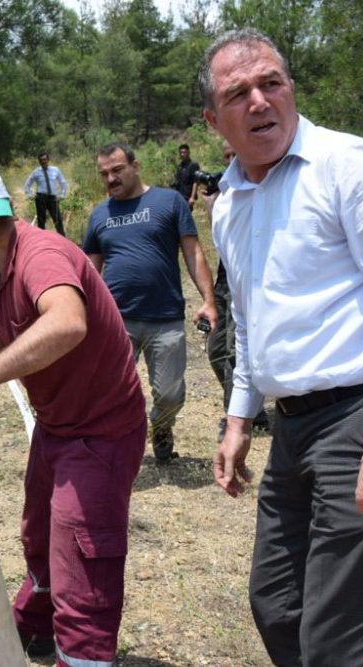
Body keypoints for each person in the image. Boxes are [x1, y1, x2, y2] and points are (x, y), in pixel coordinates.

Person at [202, 29, 363, 666]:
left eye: (271, 82)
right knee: (277, 605)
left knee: (339, 638)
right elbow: (251, 318)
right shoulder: (230, 203)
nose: (259, 101)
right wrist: (239, 418)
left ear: (291, 89)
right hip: (292, 430)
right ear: (214, 121)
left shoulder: (353, 167)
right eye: (238, 93)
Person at [0, 163, 147, 665]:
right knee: (40, 534)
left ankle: (82, 655)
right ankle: (38, 621)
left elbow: (67, 323)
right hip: (57, 426)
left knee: (83, 556)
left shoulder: (41, 254)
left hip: (101, 431)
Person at [83, 144, 217, 463]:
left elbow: (193, 252)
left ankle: (162, 426)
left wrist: (209, 300)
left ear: (135, 165)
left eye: (117, 170)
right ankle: (117, 449)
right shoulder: (100, 214)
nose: (111, 179)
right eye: (104, 174)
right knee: (110, 391)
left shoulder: (169, 201)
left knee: (170, 394)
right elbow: (90, 269)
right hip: (116, 321)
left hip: (165, 316)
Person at [201, 143, 270, 441]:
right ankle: (253, 407)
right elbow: (222, 242)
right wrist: (212, 204)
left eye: (235, 155)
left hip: (249, 281)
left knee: (233, 349)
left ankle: (239, 417)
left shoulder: (262, 190)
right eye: (226, 157)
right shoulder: (228, 193)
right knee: (216, 349)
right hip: (224, 280)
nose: (231, 161)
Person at [23, 152, 68, 235]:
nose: (43, 161)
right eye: (41, 160)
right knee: (41, 221)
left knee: (57, 220)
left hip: (53, 198)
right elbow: (27, 184)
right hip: (41, 198)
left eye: (45, 159)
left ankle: (62, 238)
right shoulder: (36, 172)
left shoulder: (55, 170)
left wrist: (62, 195)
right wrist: (30, 195)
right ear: (39, 161)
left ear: (48, 160)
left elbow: (63, 182)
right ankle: (42, 239)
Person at [171, 143, 199, 210]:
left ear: (188, 153)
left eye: (184, 152)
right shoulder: (180, 166)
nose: (182, 154)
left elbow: (196, 182)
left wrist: (192, 197)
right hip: (179, 196)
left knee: (186, 215)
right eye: (181, 153)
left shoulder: (193, 165)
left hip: (187, 197)